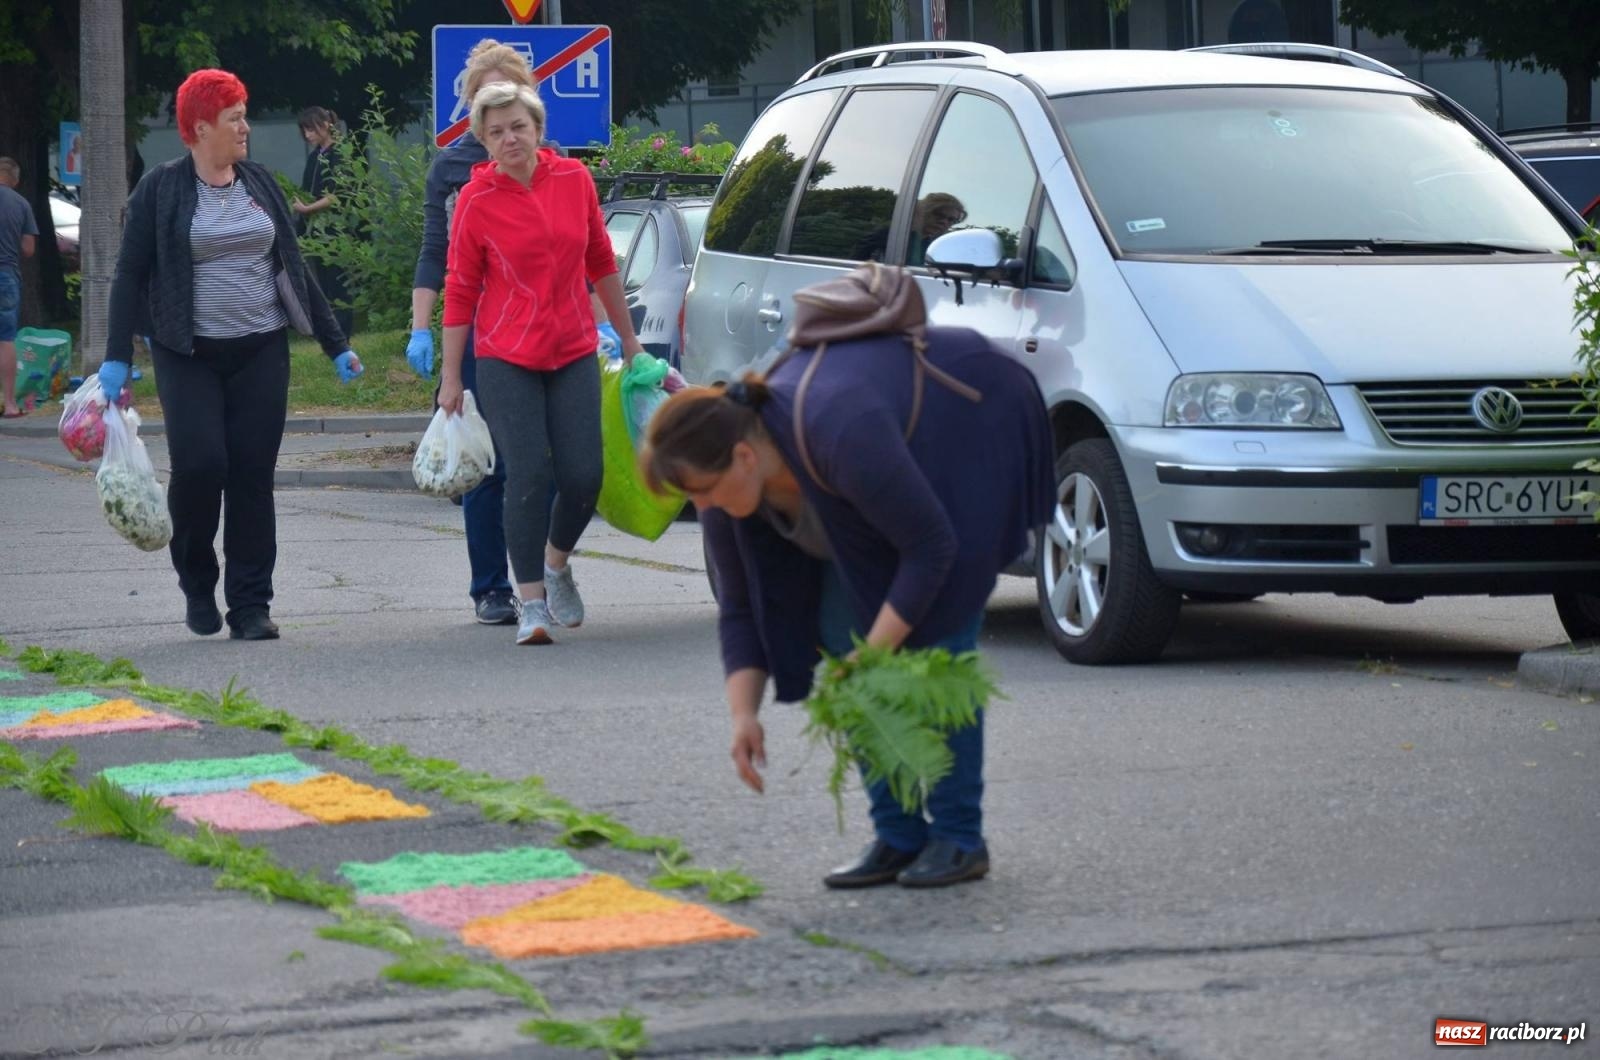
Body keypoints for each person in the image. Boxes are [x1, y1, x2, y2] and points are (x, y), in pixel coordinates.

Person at [640, 263, 1054, 889]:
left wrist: (877, 652)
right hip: (862, 511)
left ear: (744, 457)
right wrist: (743, 714)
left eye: (702, 491)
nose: (703, 509)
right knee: (842, 650)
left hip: (965, 439)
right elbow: (742, 611)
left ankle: (959, 838)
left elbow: (930, 548)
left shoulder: (838, 427)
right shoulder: (727, 488)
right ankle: (898, 835)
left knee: (936, 652)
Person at [99, 68, 363, 642]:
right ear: (199, 128)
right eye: (235, 117)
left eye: (244, 114)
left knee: (250, 476)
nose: (246, 126)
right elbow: (129, 274)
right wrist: (116, 355)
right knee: (199, 465)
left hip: (260, 350)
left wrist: (335, 344)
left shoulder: (260, 183)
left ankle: (249, 605)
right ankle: (197, 581)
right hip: (187, 352)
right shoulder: (162, 189)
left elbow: (294, 268)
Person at [438, 81, 644, 647]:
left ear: (538, 130)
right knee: (526, 474)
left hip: (574, 347)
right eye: (496, 131)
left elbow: (600, 261)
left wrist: (628, 341)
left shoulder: (575, 181)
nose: (509, 139)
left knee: (583, 476)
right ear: (482, 140)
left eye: (518, 127)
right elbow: (460, 290)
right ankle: (530, 603)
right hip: (506, 355)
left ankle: (556, 565)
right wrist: (451, 376)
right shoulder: (478, 203)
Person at [407, 39, 538, 627]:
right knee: (488, 465)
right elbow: (436, 252)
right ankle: (491, 586)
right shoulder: (453, 168)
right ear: (470, 107)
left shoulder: (548, 162)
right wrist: (422, 328)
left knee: (535, 463)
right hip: (479, 330)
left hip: (538, 328)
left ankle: (539, 577)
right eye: (485, 97)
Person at [293, 106, 354, 338]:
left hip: (335, 227)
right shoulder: (315, 157)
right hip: (315, 229)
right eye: (305, 131)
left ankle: (342, 334)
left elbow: (337, 194)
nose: (308, 135)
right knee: (324, 284)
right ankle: (331, 334)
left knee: (338, 282)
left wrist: (308, 208)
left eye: (311, 129)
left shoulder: (340, 153)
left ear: (326, 124)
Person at [0, 157, 39, 418]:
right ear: (14, 179)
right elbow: (28, 249)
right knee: (6, 339)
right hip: (6, 275)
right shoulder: (21, 204)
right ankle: (11, 404)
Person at [853, 191, 966, 265]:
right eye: (939, 215)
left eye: (951, 220)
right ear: (923, 211)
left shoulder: (937, 246)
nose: (944, 222)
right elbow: (856, 266)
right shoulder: (891, 235)